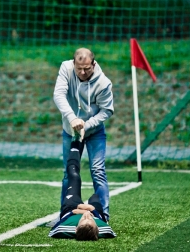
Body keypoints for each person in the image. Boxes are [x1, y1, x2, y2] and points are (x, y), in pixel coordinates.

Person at [53, 48, 114, 221]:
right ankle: (65, 214)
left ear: (93, 64)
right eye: (79, 68)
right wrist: (73, 119)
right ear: (74, 63)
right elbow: (58, 95)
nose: (82, 72)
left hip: (94, 132)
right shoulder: (66, 68)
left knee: (97, 171)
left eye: (87, 68)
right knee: (69, 172)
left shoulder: (103, 83)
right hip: (70, 130)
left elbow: (107, 111)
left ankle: (104, 216)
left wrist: (86, 125)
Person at [48, 136, 116, 240]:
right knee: (95, 198)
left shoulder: (63, 229)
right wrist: (92, 210)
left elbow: (53, 231)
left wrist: (77, 211)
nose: (87, 216)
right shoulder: (105, 230)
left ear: (75, 229)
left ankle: (75, 143)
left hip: (71, 209)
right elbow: (111, 232)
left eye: (84, 218)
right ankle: (104, 215)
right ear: (97, 228)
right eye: (89, 219)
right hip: (96, 213)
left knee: (74, 177)